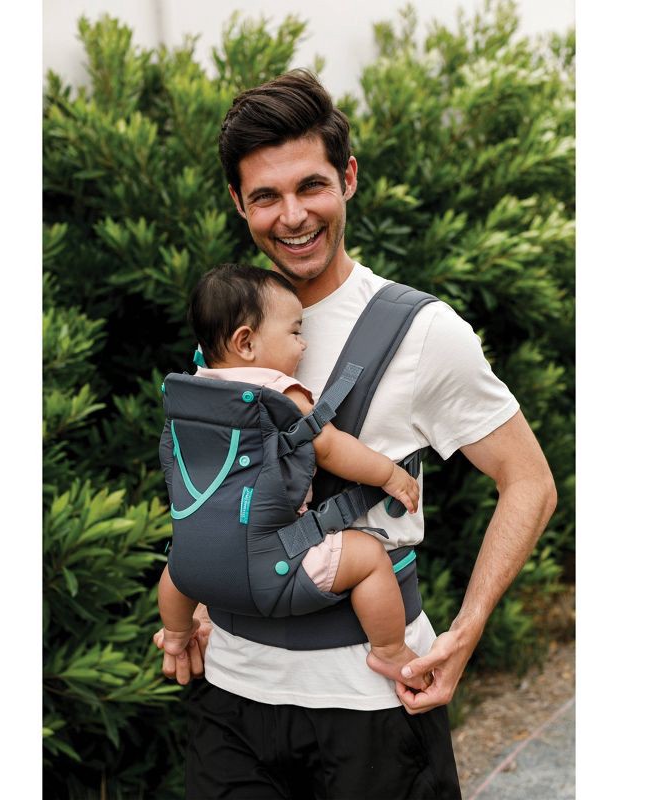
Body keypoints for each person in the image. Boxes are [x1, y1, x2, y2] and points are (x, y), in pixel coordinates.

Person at [154, 69, 557, 799]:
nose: (293, 216)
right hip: (231, 697)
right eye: (266, 196)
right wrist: (205, 599)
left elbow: (527, 481)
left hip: (371, 703)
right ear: (239, 203)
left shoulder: (424, 332)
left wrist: (467, 629)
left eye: (311, 186)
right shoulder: (230, 334)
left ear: (348, 178)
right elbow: (228, 490)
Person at [157, 262, 431, 689]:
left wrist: (181, 627)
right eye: (295, 332)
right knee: (369, 558)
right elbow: (332, 447)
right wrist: (390, 476)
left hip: (192, 565)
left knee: (174, 571)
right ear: (246, 342)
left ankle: (175, 635)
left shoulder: (190, 393)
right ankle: (390, 650)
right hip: (273, 566)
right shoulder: (278, 393)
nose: (303, 345)